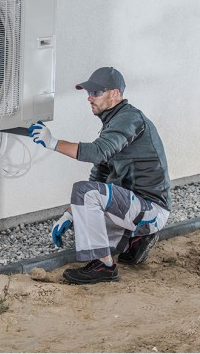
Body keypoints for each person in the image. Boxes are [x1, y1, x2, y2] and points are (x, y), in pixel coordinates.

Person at [28, 66, 171, 284]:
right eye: (88, 93)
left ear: (115, 94)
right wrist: (70, 213)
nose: (89, 98)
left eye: (96, 93)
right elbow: (100, 173)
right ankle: (135, 242)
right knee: (83, 218)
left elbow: (97, 151)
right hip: (135, 207)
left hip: (150, 208)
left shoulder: (129, 118)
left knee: (83, 195)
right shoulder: (114, 123)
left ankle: (103, 267)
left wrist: (52, 143)